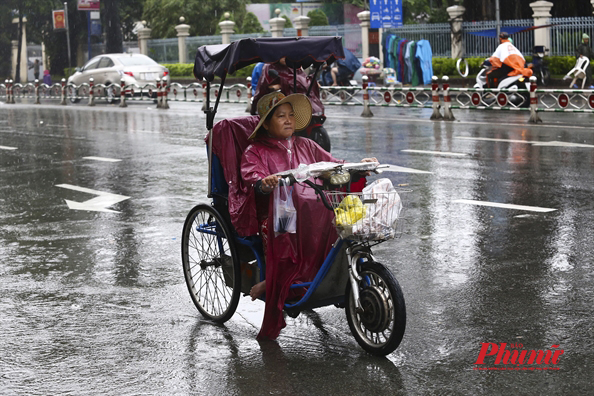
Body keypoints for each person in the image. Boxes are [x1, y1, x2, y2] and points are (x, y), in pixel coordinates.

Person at [241, 91, 376, 340]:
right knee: (291, 224)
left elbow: (334, 165)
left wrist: (359, 166)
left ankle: (311, 279)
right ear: (267, 122)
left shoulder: (306, 145)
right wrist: (265, 182)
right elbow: (252, 178)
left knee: (339, 217)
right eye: (281, 116)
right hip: (279, 215)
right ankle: (275, 283)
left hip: (315, 207)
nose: (288, 120)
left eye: (291, 115)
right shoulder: (255, 151)